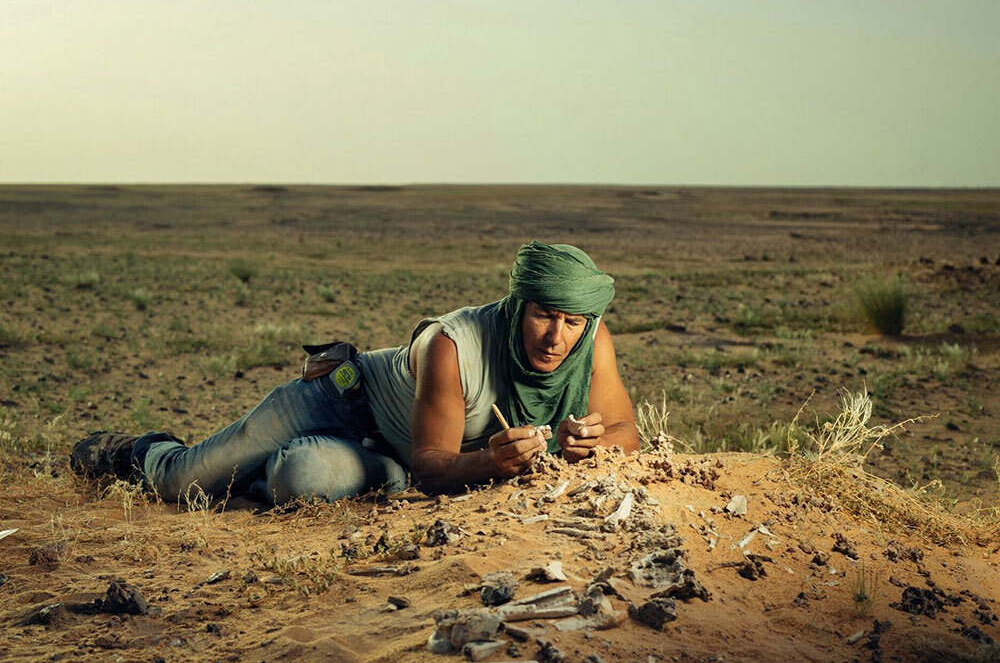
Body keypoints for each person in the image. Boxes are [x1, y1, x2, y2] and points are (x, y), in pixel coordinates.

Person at [70, 241, 640, 503]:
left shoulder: (593, 342)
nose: (556, 336)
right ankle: (138, 452)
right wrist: (491, 462)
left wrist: (590, 443)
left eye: (571, 320)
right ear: (519, 308)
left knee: (302, 481)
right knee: (183, 485)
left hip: (391, 455)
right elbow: (436, 465)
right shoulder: (454, 344)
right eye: (543, 315)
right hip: (341, 403)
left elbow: (627, 433)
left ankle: (270, 479)